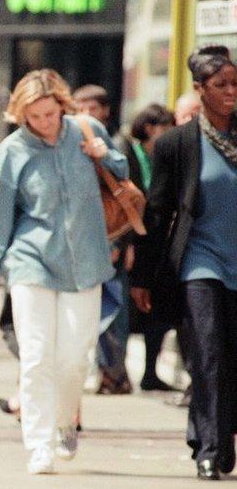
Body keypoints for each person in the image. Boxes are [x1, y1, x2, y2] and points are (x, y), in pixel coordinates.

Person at [0, 69, 127, 475]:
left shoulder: (85, 130)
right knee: (37, 356)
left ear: (62, 105)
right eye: (33, 117)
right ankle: (38, 444)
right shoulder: (13, 150)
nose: (42, 123)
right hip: (31, 262)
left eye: (48, 114)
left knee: (75, 358)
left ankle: (65, 422)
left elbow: (123, 173)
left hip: (87, 262)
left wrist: (103, 156)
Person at [130, 45, 237, 481]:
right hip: (201, 262)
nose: (231, 91)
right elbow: (157, 213)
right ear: (199, 90)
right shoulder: (177, 144)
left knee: (231, 358)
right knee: (208, 355)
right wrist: (144, 277)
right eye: (221, 85)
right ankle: (211, 447)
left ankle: (212, 432)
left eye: (235, 84)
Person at [74, 84, 132, 395]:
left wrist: (121, 244)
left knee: (111, 310)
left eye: (91, 108)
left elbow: (127, 193)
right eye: (78, 108)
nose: (84, 115)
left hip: (110, 237)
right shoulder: (69, 139)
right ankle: (105, 371)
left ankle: (113, 372)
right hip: (83, 237)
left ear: (105, 111)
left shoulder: (114, 141)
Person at [122, 104, 176, 392]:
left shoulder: (165, 155)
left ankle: (150, 370)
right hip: (137, 239)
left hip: (157, 240)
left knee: (156, 309)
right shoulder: (131, 153)